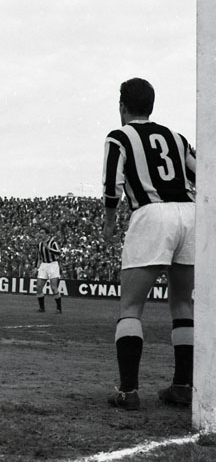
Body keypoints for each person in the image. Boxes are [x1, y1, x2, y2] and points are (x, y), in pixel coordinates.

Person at [103, 78, 196, 411]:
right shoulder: (177, 137)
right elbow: (201, 173)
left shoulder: (119, 136)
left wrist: (110, 221)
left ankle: (127, 391)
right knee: (183, 304)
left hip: (152, 213)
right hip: (190, 213)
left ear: (122, 106)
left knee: (131, 306)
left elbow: (112, 184)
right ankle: (183, 386)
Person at [34, 224, 63, 313]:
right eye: (40, 233)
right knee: (38, 287)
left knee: (53, 288)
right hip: (44, 265)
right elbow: (38, 257)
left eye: (42, 233)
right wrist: (36, 267)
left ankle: (59, 308)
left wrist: (48, 248)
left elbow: (59, 252)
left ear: (47, 234)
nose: (41, 234)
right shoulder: (39, 244)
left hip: (53, 265)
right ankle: (42, 308)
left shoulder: (53, 242)